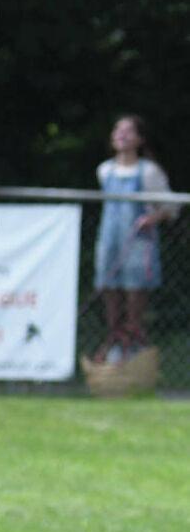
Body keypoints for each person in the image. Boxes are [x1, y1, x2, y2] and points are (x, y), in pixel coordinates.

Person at [92, 115, 176, 364]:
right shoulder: (104, 170)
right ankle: (113, 340)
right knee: (109, 289)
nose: (122, 135)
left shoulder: (149, 172)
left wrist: (153, 217)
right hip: (109, 241)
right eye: (118, 129)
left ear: (139, 139)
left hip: (138, 242)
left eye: (128, 131)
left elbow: (171, 207)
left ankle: (133, 345)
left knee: (134, 293)